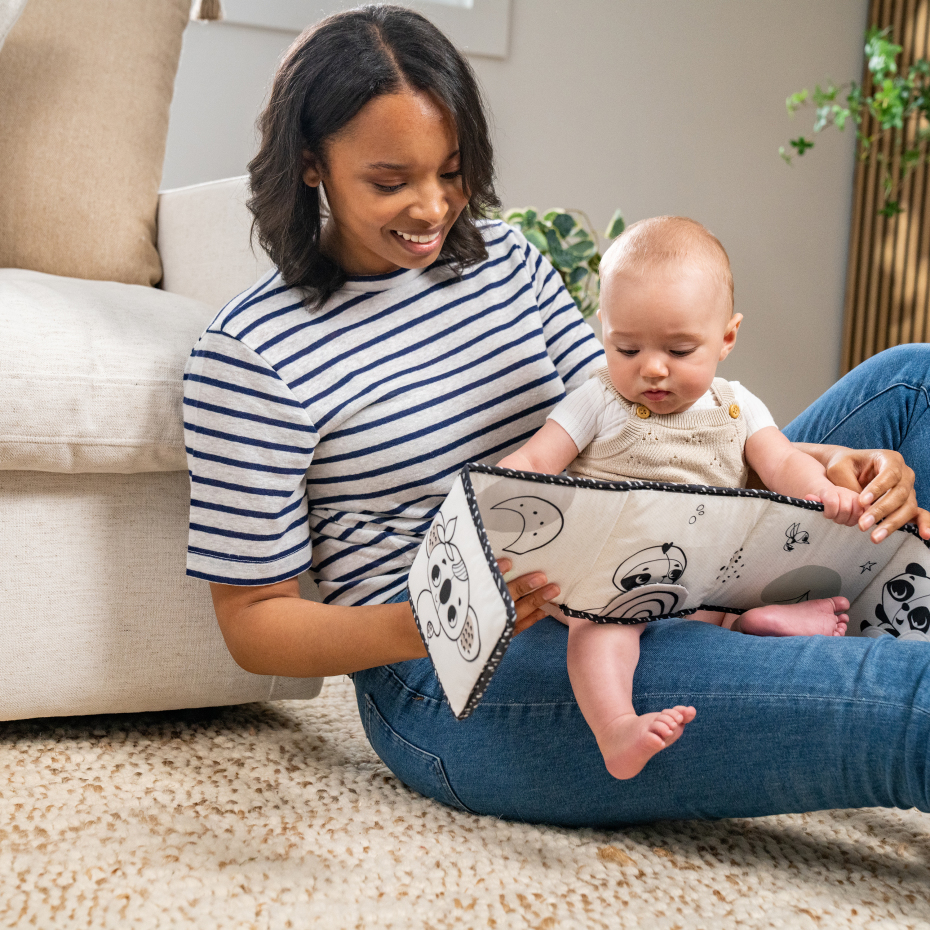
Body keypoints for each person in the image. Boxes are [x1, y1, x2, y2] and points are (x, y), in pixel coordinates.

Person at [184, 5, 930, 826]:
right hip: (454, 671)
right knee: (901, 706)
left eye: (454, 170)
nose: (433, 209)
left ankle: (825, 610)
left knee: (913, 382)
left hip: (647, 557)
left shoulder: (507, 260)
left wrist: (832, 469)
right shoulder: (251, 354)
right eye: (390, 182)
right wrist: (447, 619)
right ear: (311, 165)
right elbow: (254, 624)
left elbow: (650, 426)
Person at [496, 215, 920, 779]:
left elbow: (782, 463)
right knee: (599, 629)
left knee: (759, 572)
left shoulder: (739, 406)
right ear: (603, 330)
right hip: (619, 577)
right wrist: (496, 491)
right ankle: (616, 726)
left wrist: (822, 492)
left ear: (727, 337)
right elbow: (535, 461)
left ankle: (757, 624)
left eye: (679, 349)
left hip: (712, 565)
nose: (652, 367)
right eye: (626, 347)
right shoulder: (596, 400)